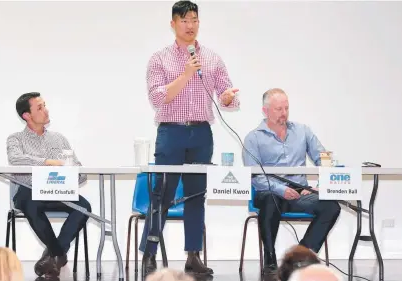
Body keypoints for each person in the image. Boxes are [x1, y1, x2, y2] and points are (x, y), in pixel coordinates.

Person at [139, 0, 240, 276]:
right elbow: (158, 98)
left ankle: (193, 255)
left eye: (194, 19)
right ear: (173, 24)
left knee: (196, 195)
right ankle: (149, 254)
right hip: (171, 131)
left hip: (201, 133)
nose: (190, 25)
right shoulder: (160, 59)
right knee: (162, 195)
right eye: (184, 20)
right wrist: (185, 74)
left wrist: (229, 97)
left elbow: (226, 95)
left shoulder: (212, 58)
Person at [242, 88, 341, 281]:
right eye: (278, 109)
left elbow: (325, 159)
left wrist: (322, 184)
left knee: (331, 206)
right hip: (269, 191)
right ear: (265, 111)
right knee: (270, 200)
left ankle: (301, 257)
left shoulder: (303, 131)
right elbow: (254, 177)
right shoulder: (253, 138)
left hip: (300, 192)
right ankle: (270, 261)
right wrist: (281, 189)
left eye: (286, 108)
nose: (284, 113)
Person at [6, 92, 92, 278]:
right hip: (29, 191)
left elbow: (80, 172)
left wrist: (72, 172)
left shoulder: (59, 139)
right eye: (40, 108)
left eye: (45, 105)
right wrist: (48, 162)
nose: (46, 110)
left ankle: (52, 256)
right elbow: (16, 160)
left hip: (58, 191)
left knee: (84, 206)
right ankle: (58, 254)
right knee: (30, 202)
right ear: (26, 116)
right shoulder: (15, 139)